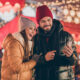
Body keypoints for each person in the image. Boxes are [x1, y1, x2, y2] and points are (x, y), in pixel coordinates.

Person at [33, 5, 77, 80]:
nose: (47, 23)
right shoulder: (35, 39)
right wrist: (44, 59)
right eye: (43, 21)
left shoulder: (66, 36)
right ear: (39, 23)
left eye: (48, 20)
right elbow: (32, 60)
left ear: (52, 20)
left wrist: (70, 56)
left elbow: (74, 61)